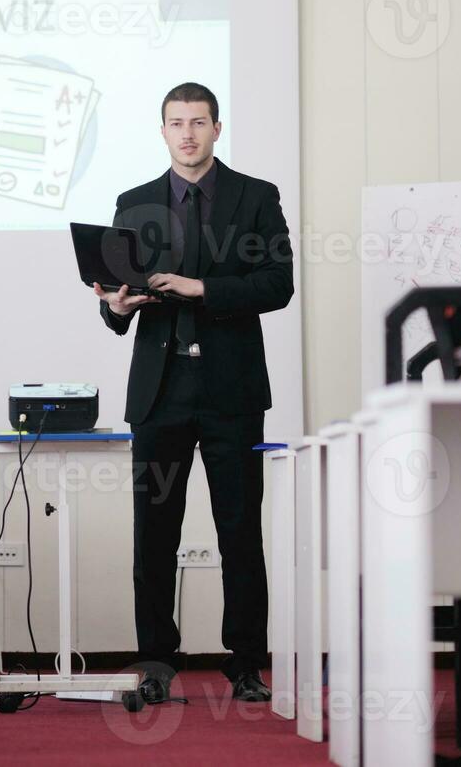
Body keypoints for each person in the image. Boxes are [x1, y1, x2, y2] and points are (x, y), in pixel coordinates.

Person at [92, 82, 294, 705]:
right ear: (162, 131)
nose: (188, 133)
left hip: (231, 390)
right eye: (177, 122)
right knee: (154, 532)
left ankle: (246, 664)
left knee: (239, 530)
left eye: (199, 122)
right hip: (160, 392)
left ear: (217, 127)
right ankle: (156, 659)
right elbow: (118, 303)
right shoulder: (134, 202)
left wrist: (202, 287)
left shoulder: (255, 197)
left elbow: (278, 283)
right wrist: (116, 305)